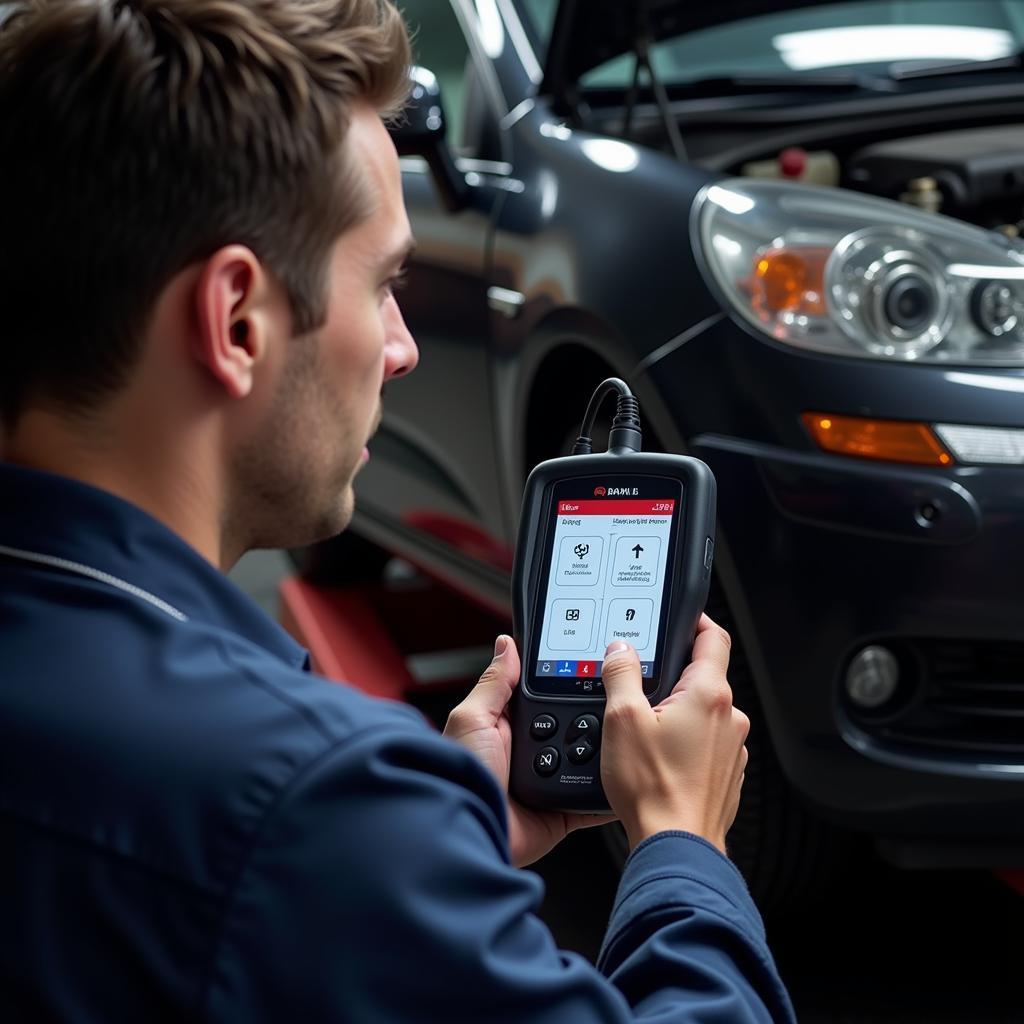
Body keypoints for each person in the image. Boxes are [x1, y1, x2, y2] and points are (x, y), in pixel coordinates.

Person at [0, 1, 795, 1020]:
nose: (402, 345)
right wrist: (682, 847)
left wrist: (430, 852)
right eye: (382, 284)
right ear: (237, 318)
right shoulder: (310, 805)